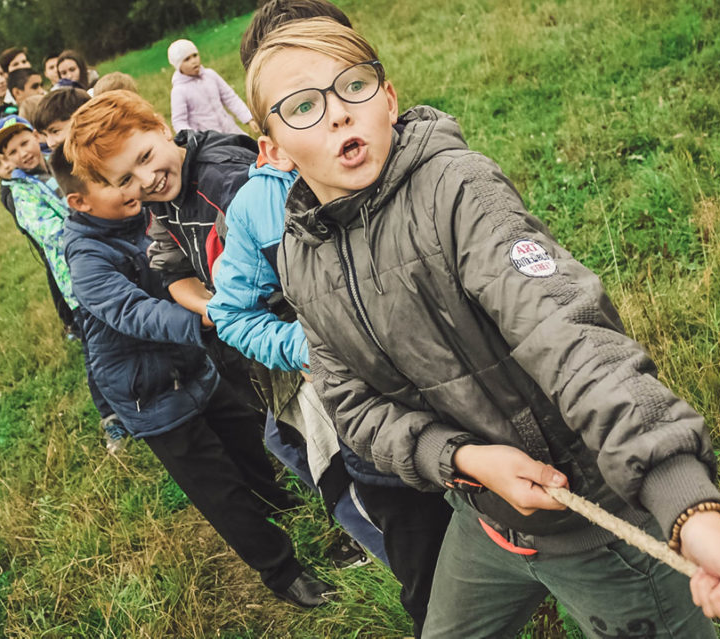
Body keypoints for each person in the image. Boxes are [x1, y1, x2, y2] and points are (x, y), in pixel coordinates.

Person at [247, 18, 720, 638]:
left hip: (598, 525)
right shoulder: (299, 258)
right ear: (274, 151)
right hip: (483, 517)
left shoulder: (458, 191)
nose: (339, 114)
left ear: (388, 99)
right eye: (304, 106)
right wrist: (462, 458)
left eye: (355, 86)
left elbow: (569, 334)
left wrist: (686, 504)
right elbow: (351, 406)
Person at [206, 4, 452, 634]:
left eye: (345, 78)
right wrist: (312, 348)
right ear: (271, 126)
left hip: (464, 395)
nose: (333, 108)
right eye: (300, 98)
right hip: (377, 429)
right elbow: (231, 314)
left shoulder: (423, 163)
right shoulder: (263, 206)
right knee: (427, 572)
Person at [52, 144, 336, 608]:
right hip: (150, 395)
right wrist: (213, 317)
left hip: (193, 367)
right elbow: (132, 311)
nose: (132, 186)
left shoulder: (149, 214)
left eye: (129, 175)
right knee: (217, 485)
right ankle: (281, 571)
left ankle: (278, 502)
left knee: (247, 441)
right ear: (79, 202)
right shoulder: (85, 257)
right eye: (114, 182)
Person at [0, 115, 125, 451]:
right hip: (78, 280)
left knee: (126, 325)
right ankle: (110, 417)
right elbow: (51, 233)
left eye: (23, 143)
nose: (22, 153)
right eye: (12, 152)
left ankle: (142, 390)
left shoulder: (62, 165)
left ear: (36, 137)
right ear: (6, 161)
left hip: (113, 260)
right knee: (97, 349)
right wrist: (95, 226)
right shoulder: (22, 193)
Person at [167, 39, 257, 135]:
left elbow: (230, 98)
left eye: (195, 55)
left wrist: (248, 118)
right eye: (187, 59)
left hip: (230, 130)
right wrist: (194, 137)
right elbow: (179, 121)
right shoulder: (179, 90)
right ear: (178, 66)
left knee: (250, 148)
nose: (194, 61)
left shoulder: (210, 75)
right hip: (210, 141)